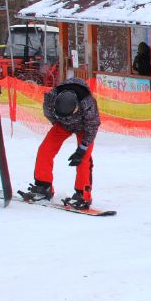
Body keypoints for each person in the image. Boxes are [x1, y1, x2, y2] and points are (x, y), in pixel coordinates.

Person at [21, 77, 101, 209]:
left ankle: (83, 194)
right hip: (62, 125)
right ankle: (43, 186)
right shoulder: (50, 98)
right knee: (45, 150)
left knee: (84, 159)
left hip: (84, 127)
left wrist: (82, 148)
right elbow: (49, 115)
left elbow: (93, 126)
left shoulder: (88, 103)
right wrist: (61, 121)